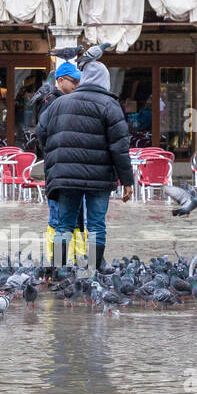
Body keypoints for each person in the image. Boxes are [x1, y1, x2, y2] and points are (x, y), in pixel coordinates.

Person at [36, 60, 134, 275]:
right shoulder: (109, 105)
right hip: (99, 178)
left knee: (64, 225)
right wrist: (127, 180)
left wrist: (56, 155)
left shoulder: (60, 103)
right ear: (105, 81)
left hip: (66, 177)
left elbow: (41, 133)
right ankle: (92, 269)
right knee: (96, 225)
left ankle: (61, 270)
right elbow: (120, 147)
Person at [41, 62, 82, 275]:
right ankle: (55, 262)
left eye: (78, 80)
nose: (77, 84)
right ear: (60, 81)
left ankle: (76, 260)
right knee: (57, 218)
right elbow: (43, 135)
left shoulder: (72, 100)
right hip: (58, 171)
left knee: (77, 217)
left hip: (74, 171)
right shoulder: (51, 102)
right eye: (73, 80)